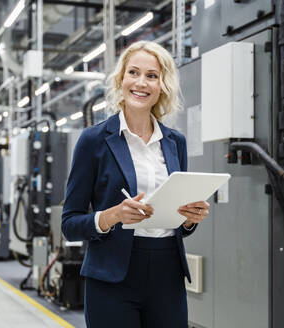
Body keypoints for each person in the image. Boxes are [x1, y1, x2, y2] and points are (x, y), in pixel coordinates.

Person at [61, 40, 210, 328]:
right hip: (112, 275)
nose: (141, 82)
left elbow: (177, 224)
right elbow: (69, 223)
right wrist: (111, 216)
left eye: (152, 76)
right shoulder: (94, 141)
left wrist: (190, 219)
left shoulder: (174, 142)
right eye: (133, 72)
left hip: (167, 273)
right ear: (121, 80)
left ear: (162, 86)